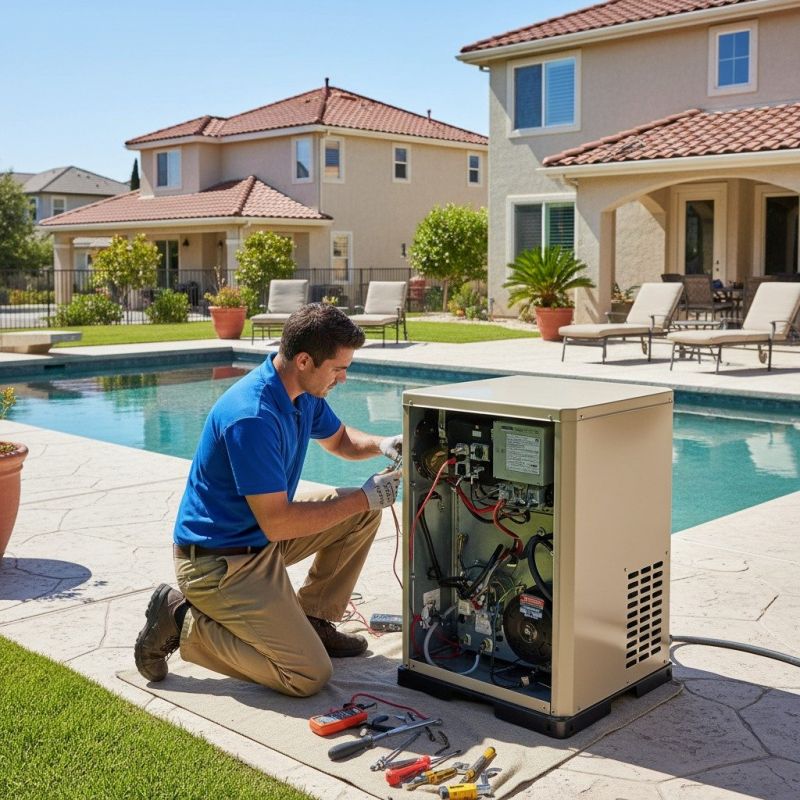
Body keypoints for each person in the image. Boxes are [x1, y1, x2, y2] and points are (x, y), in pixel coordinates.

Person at [134, 303, 402, 697]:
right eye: (338, 368)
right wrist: (364, 498)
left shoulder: (299, 393)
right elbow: (277, 522)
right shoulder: (253, 417)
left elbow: (341, 439)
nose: (344, 378)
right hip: (219, 563)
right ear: (306, 360)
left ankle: (313, 618)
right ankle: (180, 618)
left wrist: (383, 444)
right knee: (307, 675)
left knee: (357, 516)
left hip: (257, 541)